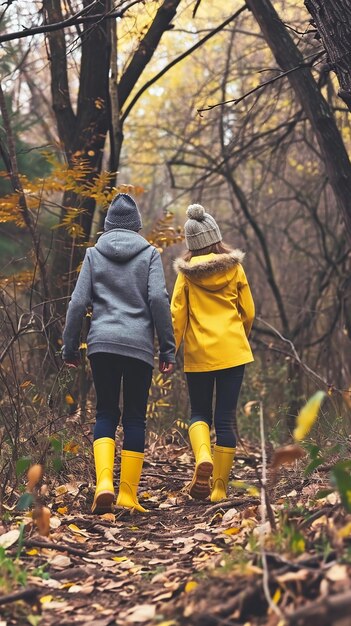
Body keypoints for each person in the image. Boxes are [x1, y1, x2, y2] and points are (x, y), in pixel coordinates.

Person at [62, 193, 175, 514]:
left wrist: (69, 347)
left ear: (108, 224)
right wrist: (167, 348)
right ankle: (127, 495)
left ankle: (103, 484)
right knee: (135, 417)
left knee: (106, 413)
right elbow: (158, 299)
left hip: (102, 345)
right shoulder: (150, 254)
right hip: (139, 346)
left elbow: (76, 303)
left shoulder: (94, 255)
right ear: (136, 225)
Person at [171, 204, 254, 502]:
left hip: (199, 353)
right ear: (216, 237)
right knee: (227, 419)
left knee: (199, 413)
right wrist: (238, 337)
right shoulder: (235, 267)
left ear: (191, 244)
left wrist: (170, 352)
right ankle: (219, 489)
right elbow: (249, 312)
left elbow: (176, 317)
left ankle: (203, 454)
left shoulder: (186, 276)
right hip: (233, 351)